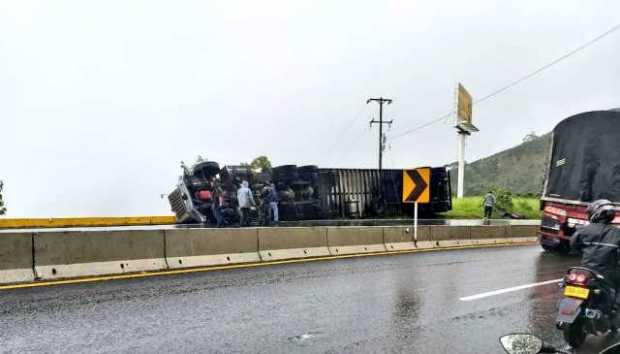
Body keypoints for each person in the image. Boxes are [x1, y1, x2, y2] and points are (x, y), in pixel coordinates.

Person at [571, 199, 620, 312]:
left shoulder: (583, 229)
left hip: (585, 270)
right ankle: (614, 311)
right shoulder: (617, 233)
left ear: (595, 213)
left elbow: (573, 246)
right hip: (608, 272)